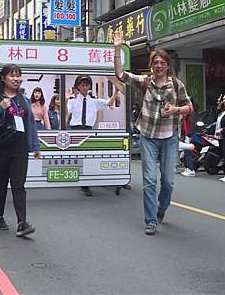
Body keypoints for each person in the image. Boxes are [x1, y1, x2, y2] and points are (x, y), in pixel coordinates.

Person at [113, 32, 192, 236]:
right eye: (155, 62)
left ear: (167, 65)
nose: (158, 66)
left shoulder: (176, 84)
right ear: (152, 65)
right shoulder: (145, 81)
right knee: (149, 180)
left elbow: (189, 107)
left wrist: (175, 110)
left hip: (169, 138)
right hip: (148, 136)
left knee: (168, 181)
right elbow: (121, 75)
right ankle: (151, 220)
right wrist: (117, 49)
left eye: (162, 63)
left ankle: (161, 209)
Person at [0, 64, 40, 237]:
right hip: (2, 147)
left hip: (20, 148)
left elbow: (31, 124)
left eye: (18, 76)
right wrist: (0, 107)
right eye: (12, 76)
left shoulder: (24, 100)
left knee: (19, 186)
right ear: (3, 78)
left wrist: (35, 146)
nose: (16, 79)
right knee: (1, 184)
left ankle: (22, 222)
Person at [67, 75, 120, 197]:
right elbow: (68, 111)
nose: (85, 87)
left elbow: (109, 103)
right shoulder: (72, 100)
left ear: (90, 86)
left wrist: (116, 92)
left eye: (87, 85)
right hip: (76, 129)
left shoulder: (94, 101)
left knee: (88, 156)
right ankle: (80, 180)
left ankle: (86, 184)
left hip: (88, 129)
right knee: (77, 156)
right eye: (82, 85)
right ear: (78, 87)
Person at [180, 98, 197, 177]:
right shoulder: (186, 113)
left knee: (188, 152)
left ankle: (190, 168)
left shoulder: (192, 113)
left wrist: (189, 135)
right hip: (185, 134)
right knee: (186, 152)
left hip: (188, 135)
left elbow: (191, 125)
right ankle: (187, 167)